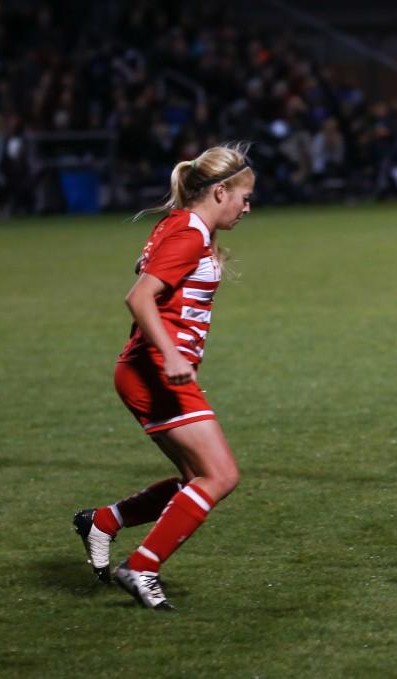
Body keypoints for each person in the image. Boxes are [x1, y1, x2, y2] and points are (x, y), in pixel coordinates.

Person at [72, 143, 255, 610]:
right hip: (155, 372)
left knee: (195, 479)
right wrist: (173, 355)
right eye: (244, 197)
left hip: (149, 370)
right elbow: (140, 296)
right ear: (219, 192)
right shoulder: (189, 233)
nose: (248, 207)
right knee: (220, 475)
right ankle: (142, 566)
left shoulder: (181, 226)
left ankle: (106, 521)